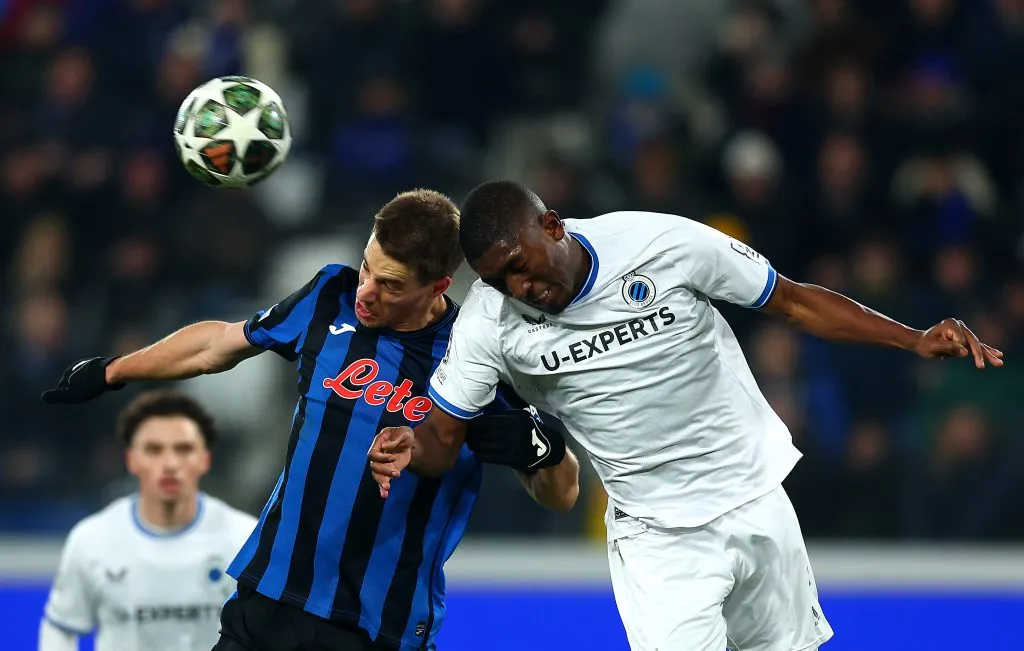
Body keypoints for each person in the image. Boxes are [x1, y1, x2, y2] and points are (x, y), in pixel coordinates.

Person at [369, 180, 1004, 651]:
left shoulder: (659, 243)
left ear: (553, 227)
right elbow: (443, 437)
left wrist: (913, 337)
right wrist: (409, 448)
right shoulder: (490, 321)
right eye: (496, 279)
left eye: (519, 266)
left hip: (755, 497)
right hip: (658, 536)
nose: (517, 288)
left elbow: (793, 303)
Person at [42, 189, 580, 651]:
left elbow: (561, 493)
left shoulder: (476, 356)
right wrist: (114, 371)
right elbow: (217, 344)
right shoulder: (329, 296)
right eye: (368, 266)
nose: (366, 292)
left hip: (378, 625)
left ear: (438, 286)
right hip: (271, 595)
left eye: (390, 285)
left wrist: (545, 452)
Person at [39, 389, 257, 651]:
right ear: (132, 460)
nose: (170, 463)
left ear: (205, 460)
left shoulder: (244, 538)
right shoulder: (92, 539)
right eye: (154, 450)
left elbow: (270, 632)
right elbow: (61, 628)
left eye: (183, 449)